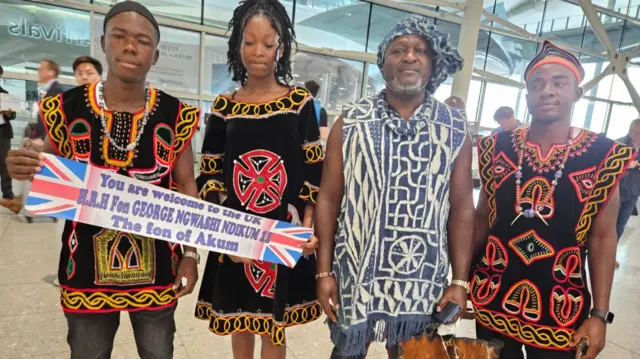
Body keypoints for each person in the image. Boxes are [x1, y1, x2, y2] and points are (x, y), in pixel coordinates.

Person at [5, 2, 201, 358]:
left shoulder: (175, 115)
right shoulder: (67, 108)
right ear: (103, 42)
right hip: (83, 270)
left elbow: (187, 185)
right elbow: (45, 163)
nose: (130, 47)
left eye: (142, 41)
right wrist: (23, 163)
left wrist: (190, 254)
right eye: (120, 37)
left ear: (155, 56)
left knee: (159, 353)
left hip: (159, 266)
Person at [314, 15, 474, 358]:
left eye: (420, 50)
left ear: (433, 65)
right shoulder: (351, 120)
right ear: (383, 62)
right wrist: (323, 271)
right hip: (353, 274)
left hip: (422, 279)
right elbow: (328, 199)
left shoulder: (454, 127)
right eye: (398, 49)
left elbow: (462, 208)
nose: (409, 57)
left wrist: (459, 282)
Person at [471, 40, 633, 359]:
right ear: (527, 94)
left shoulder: (603, 155)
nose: (547, 90)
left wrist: (599, 314)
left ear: (577, 93)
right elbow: (481, 220)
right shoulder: (495, 147)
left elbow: (602, 237)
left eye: (560, 82)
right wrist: (461, 281)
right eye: (537, 83)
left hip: (563, 304)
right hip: (492, 293)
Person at [193, 1, 322, 358]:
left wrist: (307, 228)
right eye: (250, 42)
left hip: (284, 232)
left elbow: (313, 172)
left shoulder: (299, 103)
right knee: (241, 319)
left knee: (273, 325)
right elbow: (210, 174)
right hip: (236, 232)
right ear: (238, 46)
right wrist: (228, 231)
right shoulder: (224, 106)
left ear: (281, 47)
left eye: (268, 42)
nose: (259, 51)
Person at [615, 119, 640, 266]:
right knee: (609, 224)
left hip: (633, 193)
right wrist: (627, 164)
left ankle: (611, 254)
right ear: (630, 131)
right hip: (616, 192)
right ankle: (600, 253)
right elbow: (609, 166)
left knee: (620, 225)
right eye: (637, 133)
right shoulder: (618, 144)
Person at [33, 59, 64, 140]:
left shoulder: (57, 90)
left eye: (41, 69)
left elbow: (56, 120)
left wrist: (42, 139)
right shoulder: (48, 90)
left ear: (51, 72)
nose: (38, 71)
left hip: (48, 141)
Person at [0, 65, 17, 208]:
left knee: (5, 162)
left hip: (2, 132)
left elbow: (13, 115)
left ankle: (7, 192)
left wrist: (8, 113)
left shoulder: (4, 94)